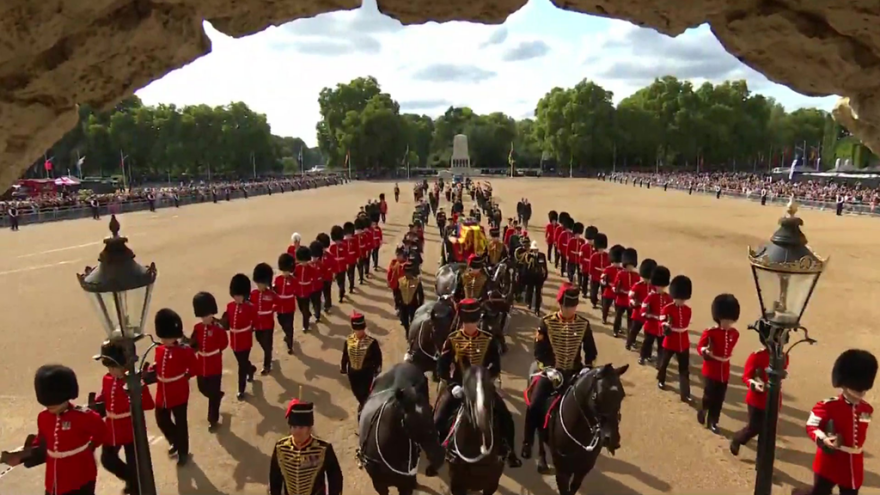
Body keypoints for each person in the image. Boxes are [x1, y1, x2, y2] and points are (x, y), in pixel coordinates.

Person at [433, 299, 521, 469]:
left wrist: (487, 380)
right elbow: (441, 366)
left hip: (483, 387)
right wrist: (452, 385)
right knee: (438, 418)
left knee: (505, 417)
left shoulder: (488, 339)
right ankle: (437, 453)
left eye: (473, 321)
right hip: (460, 387)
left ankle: (509, 451)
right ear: (462, 321)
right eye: (467, 321)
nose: (471, 325)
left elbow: (495, 366)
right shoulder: (452, 339)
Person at [1, 365, 105, 495]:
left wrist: (89, 448)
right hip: (54, 478)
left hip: (80, 475)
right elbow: (42, 441)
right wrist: (22, 456)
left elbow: (101, 433)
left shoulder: (83, 417)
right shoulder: (44, 417)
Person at [522, 284, 597, 459]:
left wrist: (587, 366)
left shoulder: (583, 324)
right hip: (552, 373)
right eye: (567, 306)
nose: (570, 310)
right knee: (534, 405)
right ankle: (528, 442)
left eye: (573, 306)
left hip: (574, 373)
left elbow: (590, 350)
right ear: (561, 305)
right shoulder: (547, 322)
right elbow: (539, 351)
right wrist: (548, 369)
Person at [793, 349, 876, 495]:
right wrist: (824, 439)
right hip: (830, 461)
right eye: (857, 388)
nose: (860, 392)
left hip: (853, 463)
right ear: (844, 385)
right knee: (819, 493)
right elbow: (812, 426)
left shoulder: (867, 409)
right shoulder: (827, 406)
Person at [91, 340, 155, 493]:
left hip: (129, 428)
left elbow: (148, 404)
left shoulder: (133, 382)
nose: (111, 371)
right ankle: (131, 479)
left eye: (114, 367)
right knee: (108, 460)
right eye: (109, 367)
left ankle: (135, 486)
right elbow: (105, 396)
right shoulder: (107, 379)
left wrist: (139, 390)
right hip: (111, 428)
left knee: (134, 462)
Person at [147, 308, 196, 465]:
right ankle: (176, 440)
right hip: (163, 391)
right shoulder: (159, 349)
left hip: (179, 391)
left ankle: (183, 451)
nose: (164, 340)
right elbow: (158, 365)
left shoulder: (184, 351)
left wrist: (185, 377)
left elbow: (194, 367)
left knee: (181, 422)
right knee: (161, 419)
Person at [729, 336, 790, 458]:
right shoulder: (756, 356)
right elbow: (746, 376)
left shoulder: (784, 357)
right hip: (756, 399)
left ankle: (762, 462)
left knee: (768, 434)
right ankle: (738, 439)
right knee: (754, 427)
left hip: (774, 399)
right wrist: (755, 384)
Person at [269, 399, 343, 495]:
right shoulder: (281, 448)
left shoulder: (323, 449)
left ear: (309, 429)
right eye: (294, 427)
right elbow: (275, 479)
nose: (297, 431)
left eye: (301, 428)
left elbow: (335, 479)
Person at [696, 294, 741, 433]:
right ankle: (703, 409)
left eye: (730, 320)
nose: (728, 323)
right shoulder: (710, 332)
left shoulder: (735, 334)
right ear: (718, 318)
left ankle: (713, 421)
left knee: (719, 399)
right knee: (709, 396)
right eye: (725, 320)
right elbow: (700, 347)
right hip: (711, 369)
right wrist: (705, 351)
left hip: (724, 371)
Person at [189, 292, 228, 430]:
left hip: (214, 365)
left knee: (212, 394)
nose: (204, 319)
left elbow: (224, 343)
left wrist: (214, 352)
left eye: (206, 316)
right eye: (202, 316)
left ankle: (213, 419)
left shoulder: (218, 328)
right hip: (201, 364)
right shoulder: (197, 328)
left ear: (212, 314)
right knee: (203, 389)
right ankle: (217, 396)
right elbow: (193, 343)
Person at [656, 275, 693, 401]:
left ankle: (685, 393)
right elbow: (661, 322)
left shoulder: (688, 310)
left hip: (683, 342)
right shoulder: (667, 308)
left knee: (684, 369)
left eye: (683, 298)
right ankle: (661, 379)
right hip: (670, 341)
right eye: (679, 298)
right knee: (664, 364)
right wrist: (666, 325)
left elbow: (686, 325)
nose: (681, 301)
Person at [340, 312, 382, 420]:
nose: (359, 332)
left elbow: (377, 357)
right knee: (357, 392)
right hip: (353, 374)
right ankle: (364, 408)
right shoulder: (349, 341)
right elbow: (345, 355)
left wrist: (377, 369)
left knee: (366, 394)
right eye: (357, 329)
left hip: (367, 373)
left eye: (361, 329)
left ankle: (364, 414)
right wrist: (343, 367)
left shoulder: (372, 342)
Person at [226, 274, 257, 399]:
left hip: (245, 340)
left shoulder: (250, 307)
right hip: (234, 340)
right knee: (242, 363)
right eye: (235, 296)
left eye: (239, 296)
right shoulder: (230, 306)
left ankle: (241, 389)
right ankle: (251, 369)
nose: (237, 298)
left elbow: (255, 322)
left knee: (241, 365)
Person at [638, 266, 672, 365]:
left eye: (662, 286)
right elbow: (643, 310)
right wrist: (651, 315)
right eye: (658, 286)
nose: (660, 288)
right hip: (651, 326)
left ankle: (659, 362)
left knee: (661, 346)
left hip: (662, 328)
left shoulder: (668, 298)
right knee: (647, 343)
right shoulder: (650, 297)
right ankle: (643, 356)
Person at [250, 264, 277, 375]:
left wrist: (273, 309)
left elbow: (278, 303)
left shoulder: (271, 294)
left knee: (267, 345)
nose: (260, 286)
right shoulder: (253, 294)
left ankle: (267, 365)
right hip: (257, 324)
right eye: (258, 284)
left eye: (261, 284)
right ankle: (269, 353)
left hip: (268, 324)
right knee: (260, 340)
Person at [625, 258, 657, 351]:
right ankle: (629, 342)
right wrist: (633, 302)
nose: (647, 280)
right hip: (638, 312)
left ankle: (646, 352)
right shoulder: (637, 285)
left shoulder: (654, 287)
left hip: (648, 314)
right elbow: (630, 296)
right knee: (634, 330)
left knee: (648, 335)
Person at [612, 248, 640, 338]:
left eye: (631, 266)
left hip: (630, 301)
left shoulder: (636, 276)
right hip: (621, 299)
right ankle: (616, 330)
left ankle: (629, 334)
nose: (630, 267)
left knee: (630, 319)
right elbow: (615, 286)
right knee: (618, 317)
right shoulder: (620, 274)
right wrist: (619, 290)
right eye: (628, 266)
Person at [274, 253, 297, 355]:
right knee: (281, 322)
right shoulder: (278, 279)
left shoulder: (293, 280)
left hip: (289, 307)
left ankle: (290, 345)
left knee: (289, 326)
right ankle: (287, 335)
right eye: (284, 271)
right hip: (280, 307)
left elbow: (296, 292)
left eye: (287, 271)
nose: (285, 273)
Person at [519, 240, 548, 315]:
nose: (535, 250)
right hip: (530, 277)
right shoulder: (528, 256)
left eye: (536, 249)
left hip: (539, 278)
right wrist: (524, 278)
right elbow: (525, 267)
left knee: (538, 294)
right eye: (534, 249)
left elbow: (544, 267)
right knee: (530, 291)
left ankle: (537, 309)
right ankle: (529, 302)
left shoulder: (542, 256)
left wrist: (544, 277)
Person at [600, 245, 625, 324]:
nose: (617, 264)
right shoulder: (608, 269)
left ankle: (618, 325)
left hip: (618, 293)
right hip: (608, 291)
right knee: (605, 307)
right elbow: (602, 279)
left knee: (618, 312)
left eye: (618, 262)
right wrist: (607, 284)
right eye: (615, 262)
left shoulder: (622, 270)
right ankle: (604, 318)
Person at [397, 261, 425, 330]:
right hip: (403, 305)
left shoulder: (417, 282)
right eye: (406, 272)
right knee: (404, 320)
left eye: (409, 272)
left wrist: (420, 305)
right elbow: (397, 293)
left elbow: (421, 294)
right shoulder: (400, 281)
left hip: (413, 304)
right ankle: (407, 330)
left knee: (413, 321)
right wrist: (398, 304)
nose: (407, 274)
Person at [293, 246, 315, 333]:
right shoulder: (296, 268)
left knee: (305, 309)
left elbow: (314, 278)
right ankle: (307, 315)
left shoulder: (311, 268)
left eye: (305, 261)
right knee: (301, 308)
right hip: (298, 291)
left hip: (307, 291)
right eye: (302, 260)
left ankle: (305, 325)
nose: (303, 263)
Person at [588, 233, 609, 308]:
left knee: (604, 293)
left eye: (602, 248)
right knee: (594, 292)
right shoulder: (594, 256)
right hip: (595, 276)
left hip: (604, 278)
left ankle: (604, 304)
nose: (601, 250)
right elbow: (591, 267)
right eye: (600, 248)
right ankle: (594, 302)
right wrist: (591, 275)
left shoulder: (607, 256)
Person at [327, 226, 347, 303]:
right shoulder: (332, 247)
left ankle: (341, 295)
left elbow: (346, 256)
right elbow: (331, 259)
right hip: (335, 268)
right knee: (339, 282)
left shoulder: (344, 246)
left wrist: (347, 264)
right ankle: (342, 290)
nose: (338, 242)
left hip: (342, 267)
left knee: (342, 281)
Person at [316, 233, 335, 312]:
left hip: (328, 278)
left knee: (327, 292)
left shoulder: (330, 256)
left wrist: (333, 275)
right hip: (320, 279)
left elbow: (333, 267)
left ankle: (327, 305)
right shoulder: (317, 258)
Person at [309, 241, 325, 323]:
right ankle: (315, 311)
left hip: (318, 287)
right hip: (311, 288)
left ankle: (317, 315)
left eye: (316, 257)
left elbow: (324, 274)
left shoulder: (321, 264)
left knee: (317, 302)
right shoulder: (308, 265)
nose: (314, 258)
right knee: (312, 301)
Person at [343, 222, 358, 293]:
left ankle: (351, 286)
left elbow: (357, 249)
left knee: (352, 272)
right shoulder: (344, 242)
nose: (348, 236)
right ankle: (350, 282)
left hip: (353, 259)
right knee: (348, 273)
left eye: (350, 234)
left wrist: (357, 257)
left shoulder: (354, 240)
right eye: (347, 234)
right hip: (346, 260)